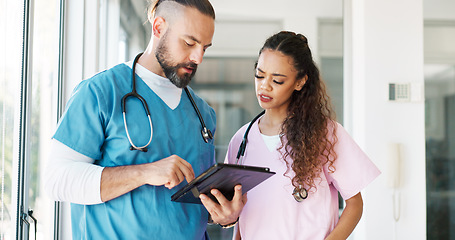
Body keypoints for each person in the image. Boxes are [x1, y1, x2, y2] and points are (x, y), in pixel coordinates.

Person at [44, 0, 244, 239]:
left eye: (205, 47)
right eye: (189, 43)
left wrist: (222, 216)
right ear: (158, 27)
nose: (198, 58)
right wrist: (145, 172)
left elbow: (192, 203)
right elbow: (56, 180)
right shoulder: (101, 92)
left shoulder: (203, 113)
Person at [224, 31, 381, 240]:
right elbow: (240, 216)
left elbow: (355, 204)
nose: (264, 85)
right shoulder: (241, 140)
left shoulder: (325, 133)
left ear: (299, 82)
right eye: (260, 75)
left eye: (277, 80)